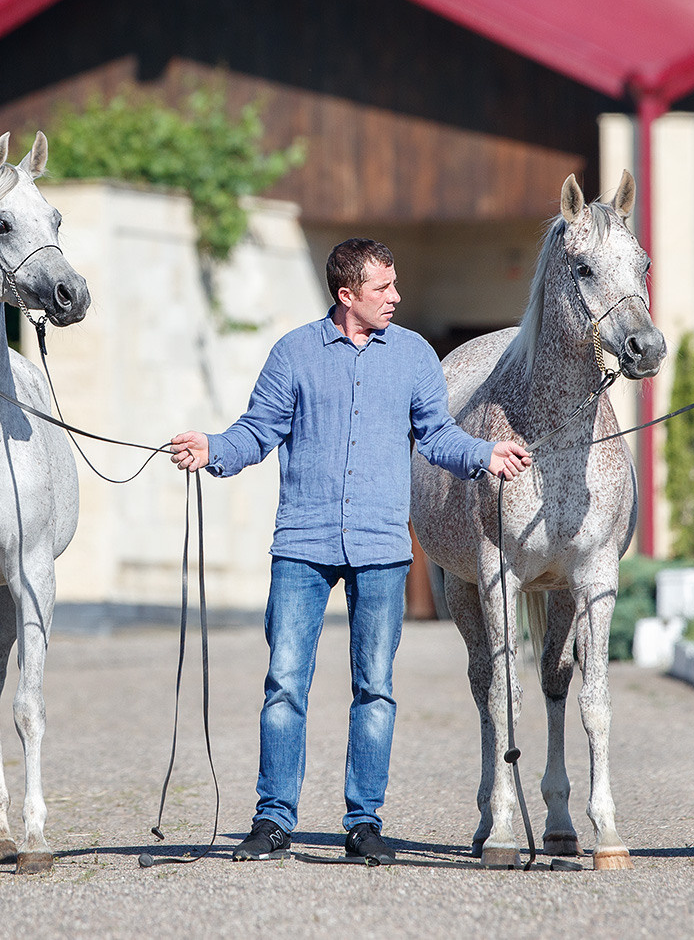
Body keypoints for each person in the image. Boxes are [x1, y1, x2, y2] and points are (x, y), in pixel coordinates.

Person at [169, 238, 531, 865]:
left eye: (395, 286)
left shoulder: (416, 355)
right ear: (346, 295)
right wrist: (214, 449)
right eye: (383, 288)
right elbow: (258, 431)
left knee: (376, 688)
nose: (396, 297)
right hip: (302, 545)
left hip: (383, 546)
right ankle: (273, 820)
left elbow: (438, 437)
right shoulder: (294, 353)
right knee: (284, 683)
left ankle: (363, 823)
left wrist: (485, 456)